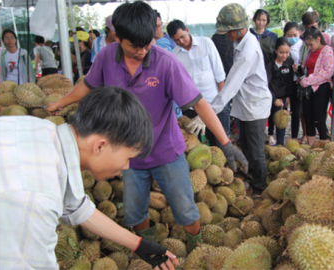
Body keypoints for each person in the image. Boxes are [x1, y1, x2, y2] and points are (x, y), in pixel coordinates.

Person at [48, 1, 248, 253]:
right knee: (134, 211)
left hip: (166, 151)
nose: (143, 51)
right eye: (135, 46)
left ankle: (195, 249)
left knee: (185, 209)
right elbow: (88, 85)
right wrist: (60, 102)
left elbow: (199, 103)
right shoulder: (106, 57)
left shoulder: (166, 63)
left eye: (147, 44)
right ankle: (150, 251)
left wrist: (226, 143)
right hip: (127, 157)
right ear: (117, 37)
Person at [0, 87, 179, 270]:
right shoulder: (35, 193)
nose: (126, 167)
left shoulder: (44, 132)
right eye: (128, 157)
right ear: (100, 146)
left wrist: (139, 245)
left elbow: (77, 207)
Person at [207, 3, 272, 198]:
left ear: (239, 28)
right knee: (244, 145)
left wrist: (208, 113)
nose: (226, 35)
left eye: (228, 32)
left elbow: (230, 86)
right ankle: (251, 177)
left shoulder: (248, 50)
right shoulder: (240, 41)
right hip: (245, 105)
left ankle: (260, 187)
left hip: (254, 107)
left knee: (255, 150)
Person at [167, 20, 229, 146]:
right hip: (191, 107)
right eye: (176, 40)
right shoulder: (174, 55)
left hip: (213, 104)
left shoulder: (206, 43)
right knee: (195, 145)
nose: (181, 42)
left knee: (220, 143)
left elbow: (220, 76)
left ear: (187, 30)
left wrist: (221, 104)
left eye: (182, 37)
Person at [298, 27, 334, 146]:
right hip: (308, 89)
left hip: (321, 88)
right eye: (307, 45)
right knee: (308, 117)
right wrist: (299, 71)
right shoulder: (309, 52)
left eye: (311, 44)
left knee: (319, 118)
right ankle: (311, 146)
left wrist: (308, 80)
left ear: (318, 39)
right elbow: (306, 67)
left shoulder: (327, 50)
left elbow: (328, 72)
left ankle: (324, 143)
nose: (309, 47)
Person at [266, 37, 294, 146]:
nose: (284, 55)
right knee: (271, 118)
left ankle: (280, 145)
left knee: (281, 120)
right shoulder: (270, 65)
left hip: (283, 96)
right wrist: (273, 99)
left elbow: (290, 80)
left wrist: (288, 96)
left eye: (287, 52)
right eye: (281, 52)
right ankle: (270, 136)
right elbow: (266, 84)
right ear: (275, 50)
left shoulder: (289, 62)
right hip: (271, 95)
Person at [283, 21, 306, 144]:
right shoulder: (283, 46)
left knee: (297, 112)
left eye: (295, 35)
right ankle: (280, 138)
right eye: (289, 35)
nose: (292, 38)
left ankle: (295, 137)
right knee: (283, 111)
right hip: (286, 83)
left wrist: (301, 75)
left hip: (298, 83)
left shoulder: (304, 46)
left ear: (300, 33)